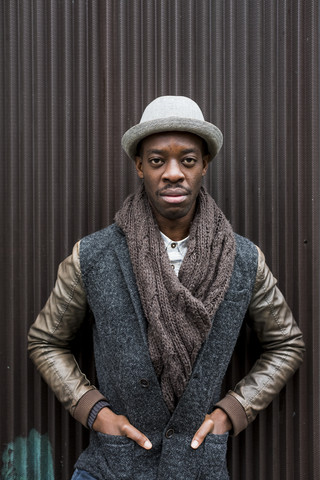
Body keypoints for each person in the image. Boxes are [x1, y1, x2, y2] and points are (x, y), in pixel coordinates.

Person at [28, 95, 305, 480]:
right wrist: (95, 411)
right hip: (111, 467)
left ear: (204, 165)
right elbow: (45, 341)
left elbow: (286, 343)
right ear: (139, 166)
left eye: (187, 160)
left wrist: (231, 413)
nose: (173, 172)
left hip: (198, 467)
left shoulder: (244, 261)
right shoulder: (93, 256)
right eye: (157, 160)